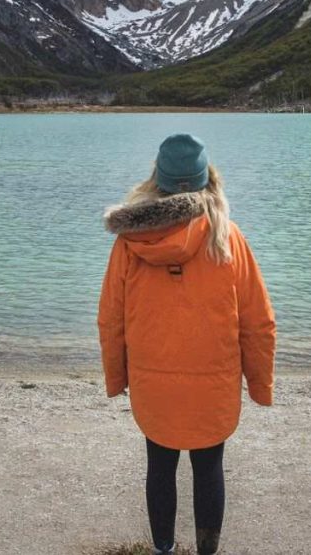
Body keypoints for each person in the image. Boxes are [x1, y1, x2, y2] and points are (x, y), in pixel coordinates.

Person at [97, 133, 277, 555]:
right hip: (213, 383)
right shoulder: (227, 237)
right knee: (208, 466)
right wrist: (259, 384)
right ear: (206, 180)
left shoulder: (130, 242)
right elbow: (260, 322)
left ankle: (163, 550)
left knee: (159, 467)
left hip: (153, 382)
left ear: (155, 181)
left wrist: (116, 376)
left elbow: (110, 319)